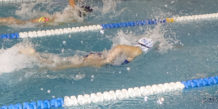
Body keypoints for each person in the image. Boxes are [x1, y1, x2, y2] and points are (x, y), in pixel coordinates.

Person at [21, 38, 154, 70]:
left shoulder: (135, 48)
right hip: (102, 57)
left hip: (99, 54)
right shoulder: (138, 51)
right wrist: (106, 61)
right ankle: (37, 58)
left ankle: (37, 56)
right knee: (66, 66)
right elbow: (119, 48)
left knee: (67, 60)